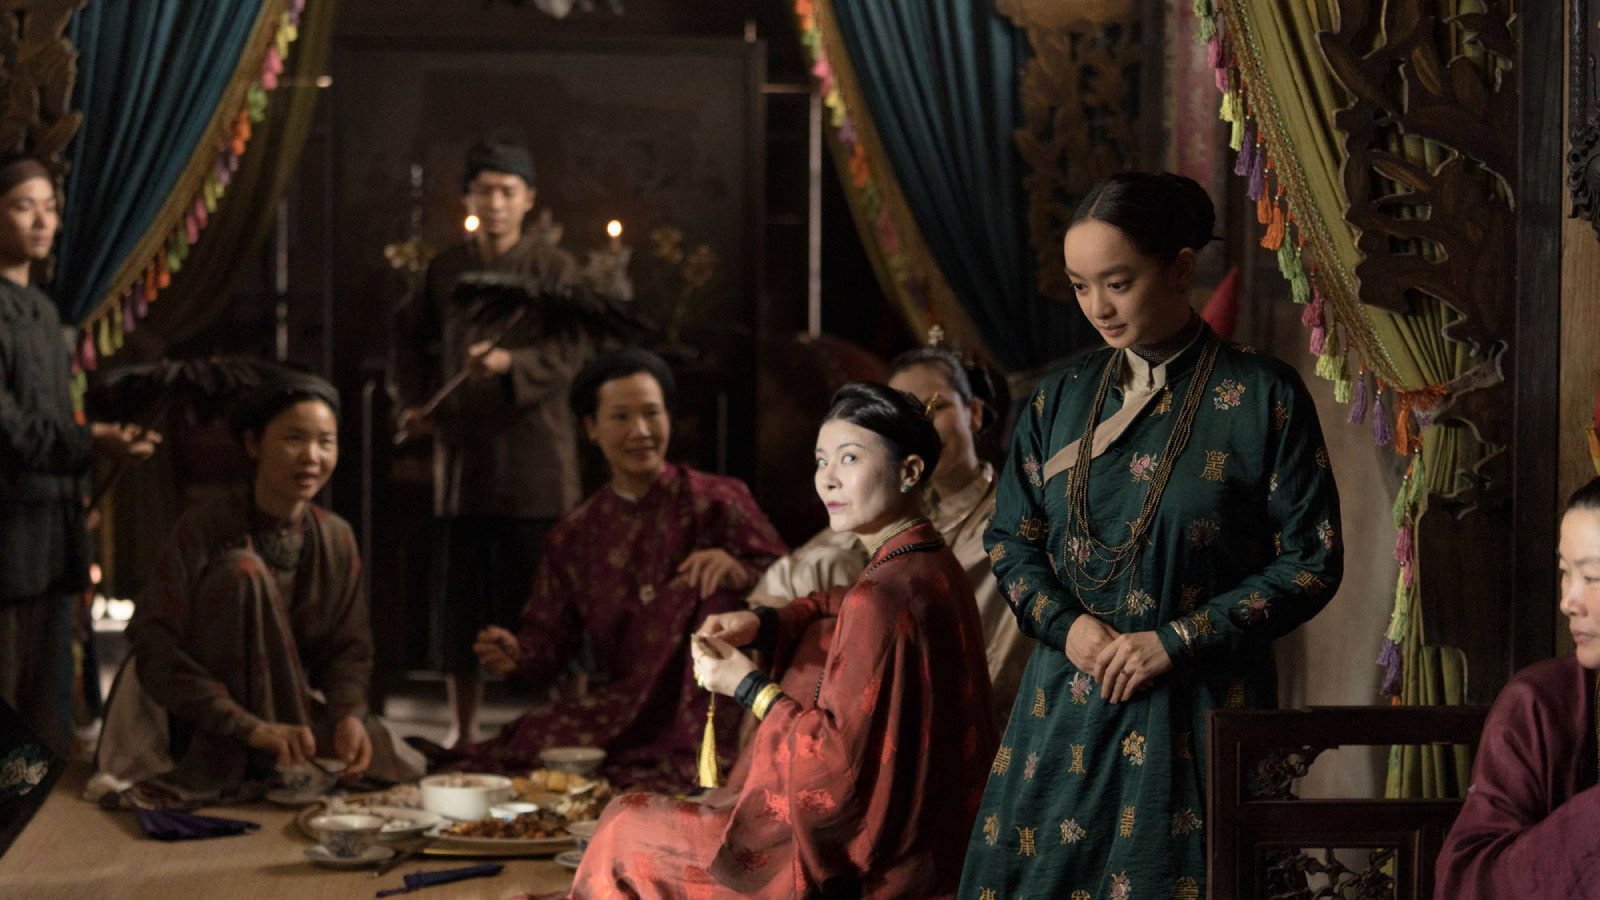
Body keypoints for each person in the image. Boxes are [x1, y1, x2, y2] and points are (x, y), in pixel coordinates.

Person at [958, 172, 1342, 898]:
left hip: (1201, 708)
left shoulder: (1263, 396)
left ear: (1180, 268)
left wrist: (1178, 640)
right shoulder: (1059, 398)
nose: (1097, 308)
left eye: (1118, 283)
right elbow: (1010, 540)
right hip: (1066, 703)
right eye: (1080, 287)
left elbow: (1311, 561)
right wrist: (1068, 628)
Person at [554, 381, 998, 899]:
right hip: (937, 853)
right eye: (820, 461)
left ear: (910, 470)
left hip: (870, 870)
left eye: (849, 458)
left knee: (623, 823)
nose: (828, 479)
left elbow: (835, 779)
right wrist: (762, 622)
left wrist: (748, 687)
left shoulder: (881, 594)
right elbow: (836, 603)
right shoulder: (927, 561)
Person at [459, 349, 786, 790]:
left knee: (720, 601)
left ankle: (701, 765)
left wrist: (738, 570)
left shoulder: (718, 500)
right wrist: (517, 652)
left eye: (652, 413)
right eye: (620, 417)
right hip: (625, 706)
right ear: (591, 428)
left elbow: (791, 580)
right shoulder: (574, 535)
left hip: (710, 701)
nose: (641, 431)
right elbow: (551, 637)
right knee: (526, 739)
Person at [89, 373, 422, 801]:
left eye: (325, 442)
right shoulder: (203, 526)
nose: (311, 457)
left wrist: (347, 716)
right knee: (242, 570)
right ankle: (252, 755)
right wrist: (247, 726)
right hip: (197, 718)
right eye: (294, 439)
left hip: (290, 713)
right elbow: (154, 647)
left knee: (384, 755)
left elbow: (348, 650)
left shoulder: (336, 537)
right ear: (253, 443)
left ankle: (287, 748)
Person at [394, 140, 588, 747]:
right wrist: (414, 403)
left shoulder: (556, 270)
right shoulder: (447, 269)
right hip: (465, 461)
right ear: (469, 200)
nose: (496, 202)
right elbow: (408, 342)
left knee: (554, 600)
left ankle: (570, 725)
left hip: (539, 460)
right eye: (485, 191)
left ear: (529, 200)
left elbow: (571, 351)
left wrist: (510, 363)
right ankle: (463, 729)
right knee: (463, 604)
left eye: (508, 191)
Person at [749, 345, 1027, 728]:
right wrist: (769, 619)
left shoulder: (1012, 521)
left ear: (974, 413)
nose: (921, 427)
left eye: (936, 408)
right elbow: (798, 573)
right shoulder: (875, 514)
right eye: (906, 414)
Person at [0, 155, 157, 754]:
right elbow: (9, 432)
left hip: (49, 529)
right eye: (24, 206)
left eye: (50, 207)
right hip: (7, 531)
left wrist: (99, 449)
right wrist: (93, 440)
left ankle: (32, 807)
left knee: (41, 697)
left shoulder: (42, 311)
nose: (43, 221)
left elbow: (55, 420)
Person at [1433, 476, 1600, 898]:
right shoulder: (1538, 703)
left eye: (1592, 577)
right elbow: (1464, 881)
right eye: (1565, 573)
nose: (1568, 601)